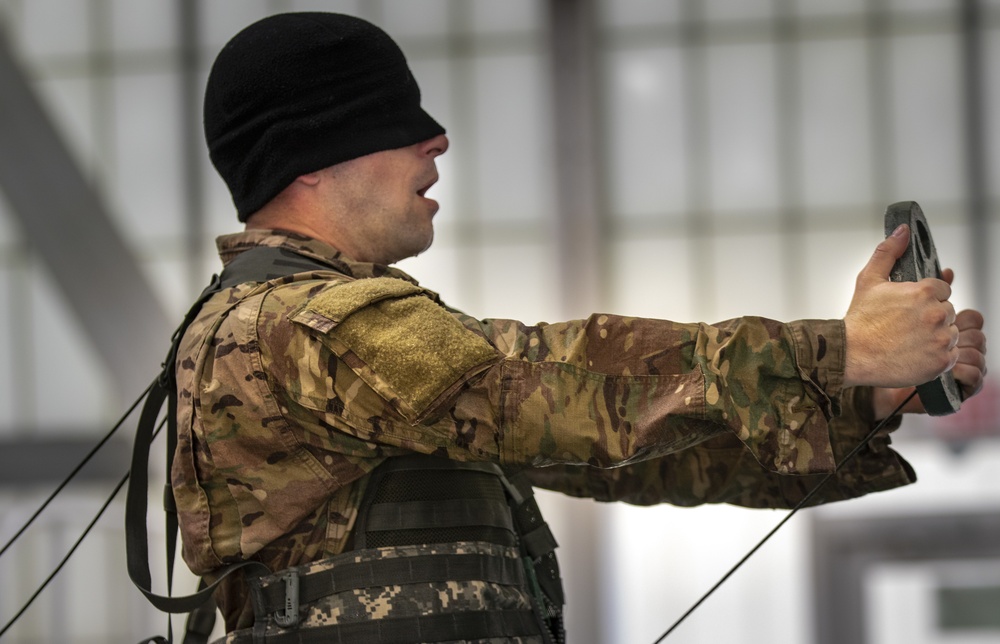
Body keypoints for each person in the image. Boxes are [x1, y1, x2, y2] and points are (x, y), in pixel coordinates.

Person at [169, 11, 987, 644]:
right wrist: (835, 351)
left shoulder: (357, 332)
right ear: (307, 157)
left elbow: (625, 452)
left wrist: (865, 396)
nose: (436, 141)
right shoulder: (302, 326)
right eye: (392, 124)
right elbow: (567, 392)